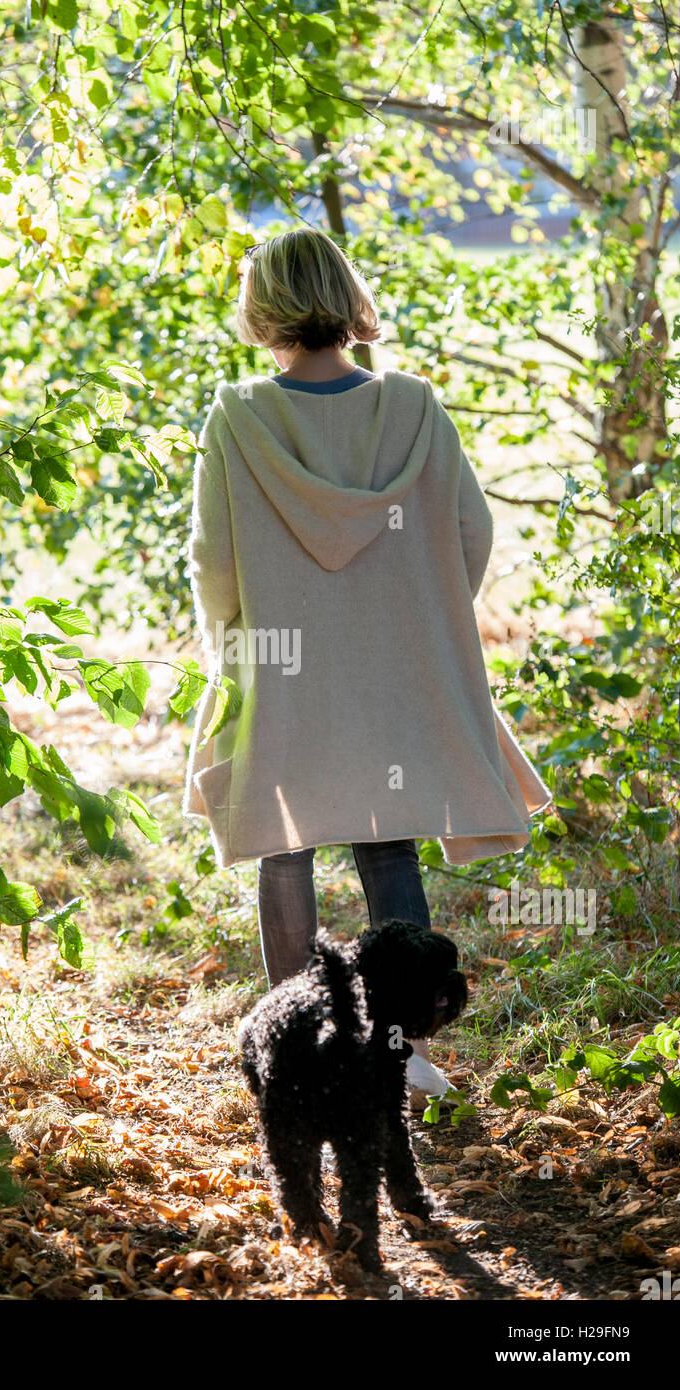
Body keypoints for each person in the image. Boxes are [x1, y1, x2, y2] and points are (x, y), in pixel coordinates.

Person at [182, 227, 551, 1105]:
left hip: (284, 671)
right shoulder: (415, 406)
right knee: (388, 850)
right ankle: (398, 1050)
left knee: (285, 845)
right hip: (394, 667)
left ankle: (295, 1048)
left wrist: (225, 639)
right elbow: (473, 532)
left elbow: (212, 558)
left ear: (261, 308)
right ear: (348, 299)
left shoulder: (238, 417)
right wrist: (414, 617)